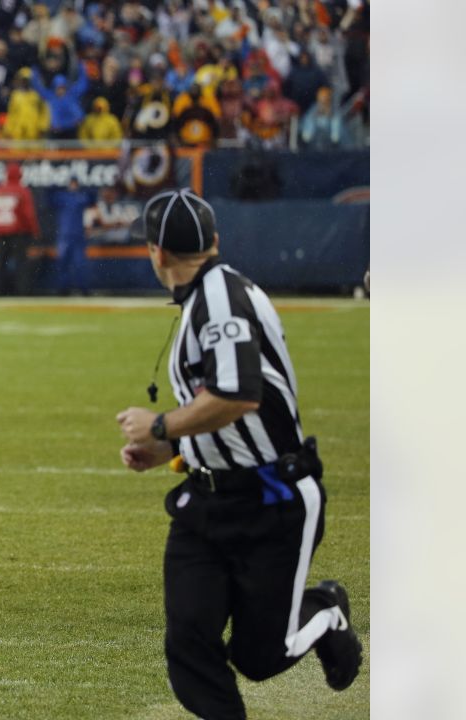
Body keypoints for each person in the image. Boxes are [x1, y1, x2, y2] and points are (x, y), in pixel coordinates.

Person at [115, 188, 363, 720]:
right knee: (189, 641)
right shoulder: (206, 297)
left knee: (259, 655)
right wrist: (172, 446)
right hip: (206, 502)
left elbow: (239, 392)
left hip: (271, 498)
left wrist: (159, 422)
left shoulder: (220, 297)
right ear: (215, 241)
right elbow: (231, 406)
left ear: (155, 252)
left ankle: (325, 611)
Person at [0, 162, 39, 297]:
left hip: (0, 234)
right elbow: (28, 214)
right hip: (18, 233)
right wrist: (33, 230)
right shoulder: (22, 191)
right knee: (21, 264)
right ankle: (22, 292)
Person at [46, 177, 97, 295]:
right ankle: (63, 290)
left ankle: (84, 290)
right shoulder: (62, 196)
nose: (73, 186)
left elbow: (93, 197)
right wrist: (55, 184)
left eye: (75, 184)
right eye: (72, 183)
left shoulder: (81, 197)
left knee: (80, 264)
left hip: (77, 235)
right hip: (65, 236)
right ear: (68, 184)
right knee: (63, 264)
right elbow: (48, 197)